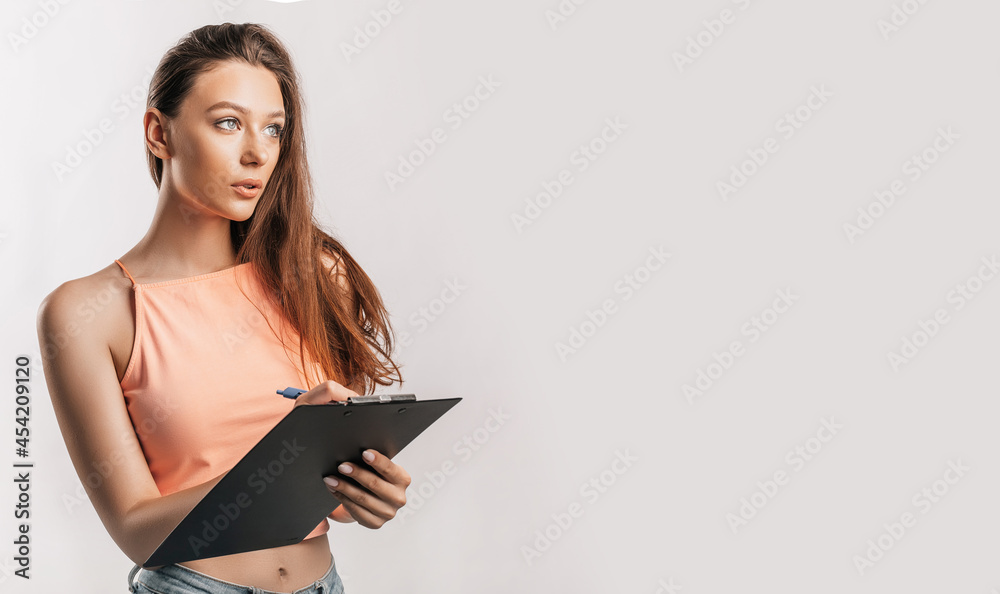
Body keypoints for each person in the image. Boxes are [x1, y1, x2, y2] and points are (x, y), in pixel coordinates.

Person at [35, 22, 410, 594]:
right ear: (158, 133)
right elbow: (138, 530)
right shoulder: (90, 311)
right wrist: (283, 456)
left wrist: (365, 491)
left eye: (275, 129)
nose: (258, 152)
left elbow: (330, 491)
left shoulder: (313, 274)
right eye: (228, 123)